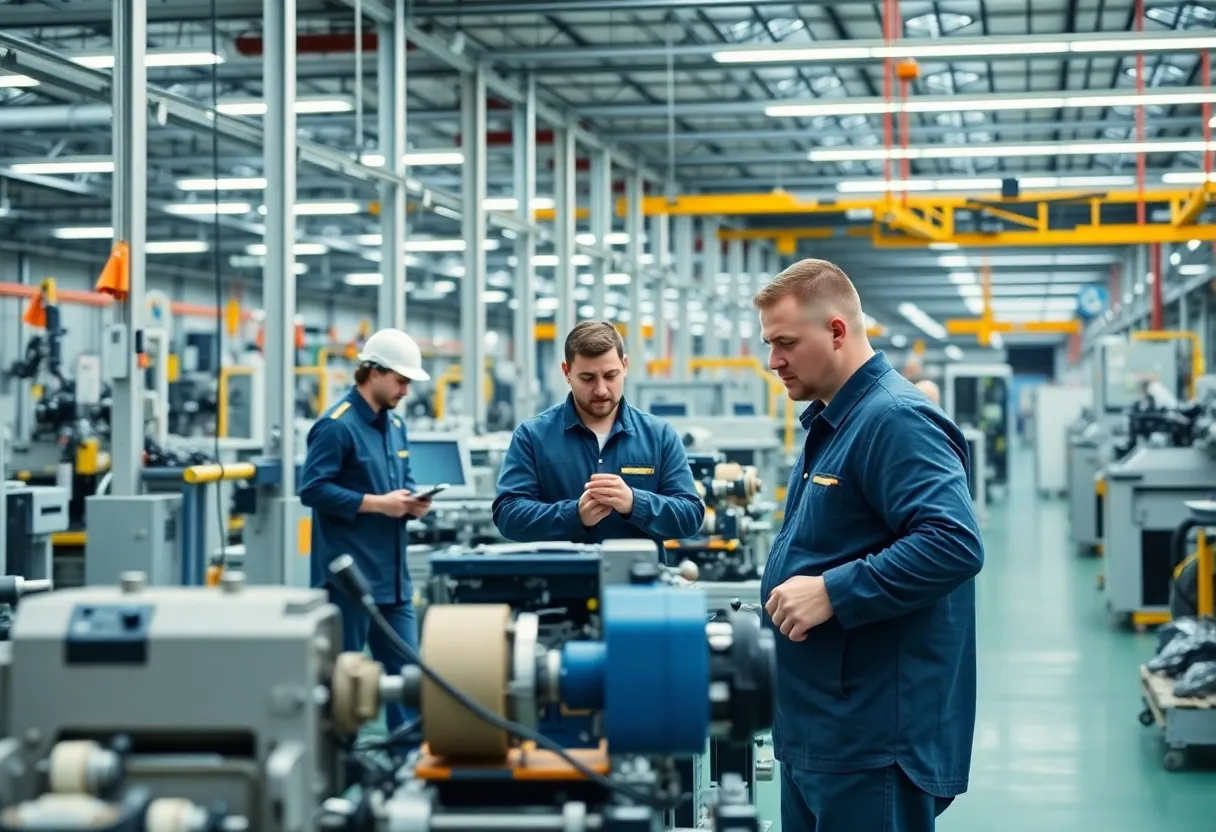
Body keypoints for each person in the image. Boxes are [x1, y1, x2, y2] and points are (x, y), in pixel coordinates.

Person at [754, 259, 984, 832]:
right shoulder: (835, 421)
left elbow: (954, 542)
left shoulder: (895, 419)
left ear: (836, 331)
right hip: (818, 727)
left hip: (870, 737)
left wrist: (834, 590)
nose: (773, 360)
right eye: (769, 344)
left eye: (785, 342)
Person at [299, 327, 435, 746]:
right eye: (400, 380)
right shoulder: (336, 427)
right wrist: (380, 504)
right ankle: (339, 775)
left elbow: (403, 482)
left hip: (393, 582)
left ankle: (407, 768)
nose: (406, 391)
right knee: (343, 691)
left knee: (412, 682)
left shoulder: (395, 425)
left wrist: (413, 502)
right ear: (372, 372)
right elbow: (312, 489)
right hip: (351, 583)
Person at [492, 320, 704, 547]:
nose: (601, 390)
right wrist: (574, 515)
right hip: (559, 580)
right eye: (587, 378)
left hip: (638, 579)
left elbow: (690, 516)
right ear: (567, 372)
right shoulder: (532, 436)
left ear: (624, 366)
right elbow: (508, 515)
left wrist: (635, 502)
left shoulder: (659, 435)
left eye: (610, 375)